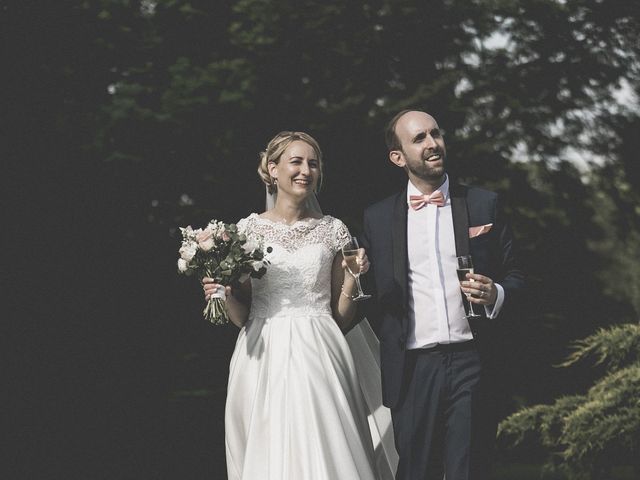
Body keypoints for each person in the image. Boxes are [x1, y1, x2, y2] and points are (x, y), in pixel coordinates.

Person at [202, 131, 397, 480]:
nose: (306, 170)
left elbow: (341, 316)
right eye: (296, 161)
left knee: (328, 445)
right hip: (261, 353)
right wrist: (225, 294)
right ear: (272, 169)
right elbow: (242, 316)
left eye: (313, 164)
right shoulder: (247, 231)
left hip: (321, 349)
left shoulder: (332, 230)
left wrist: (352, 277)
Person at [359, 110, 525, 480]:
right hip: (412, 369)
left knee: (471, 469)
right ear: (397, 157)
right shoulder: (378, 218)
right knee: (418, 472)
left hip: (472, 361)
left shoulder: (484, 204)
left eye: (435, 134)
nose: (432, 143)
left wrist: (495, 293)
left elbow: (517, 276)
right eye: (419, 138)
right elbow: (367, 296)